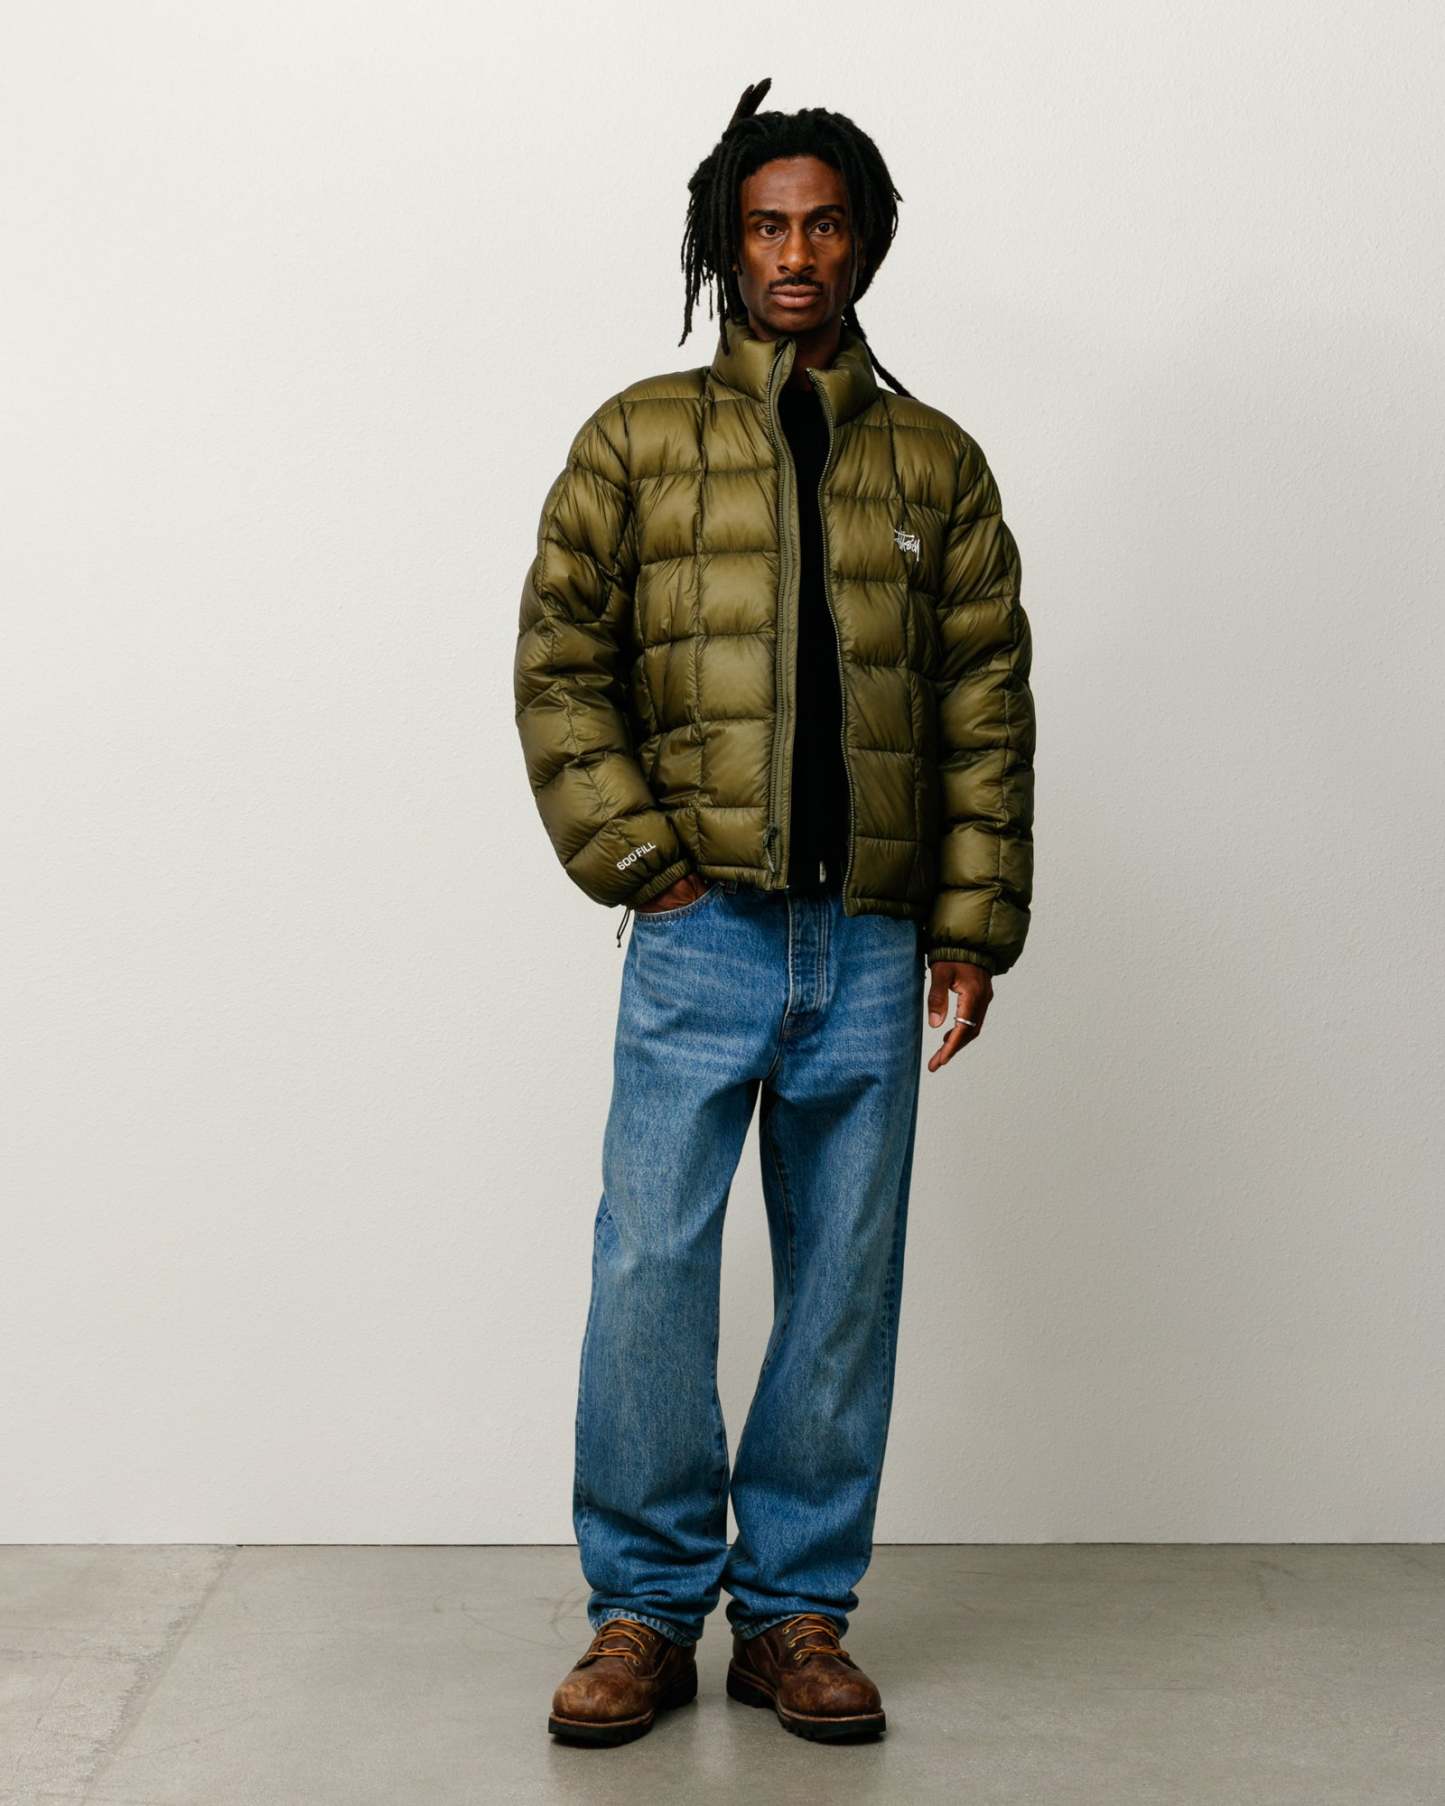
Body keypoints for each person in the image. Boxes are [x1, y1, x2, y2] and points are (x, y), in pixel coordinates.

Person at [513, 76, 1036, 1747]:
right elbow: (560, 665)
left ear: (861, 242)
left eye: (820, 225)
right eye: (764, 226)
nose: (793, 253)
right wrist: (644, 865)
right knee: (652, 1269)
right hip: (702, 932)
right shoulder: (635, 438)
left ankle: (795, 1612)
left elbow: (981, 707)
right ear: (723, 245)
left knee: (841, 1284)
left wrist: (970, 928)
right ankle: (643, 1611)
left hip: (869, 941)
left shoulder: (935, 462)